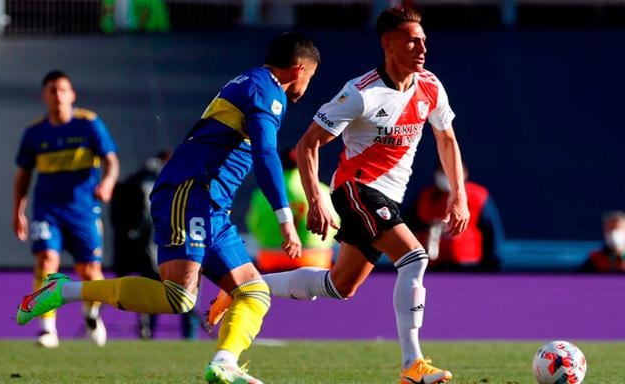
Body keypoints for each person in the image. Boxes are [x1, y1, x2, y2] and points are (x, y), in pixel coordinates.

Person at [16, 32, 320, 384]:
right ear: (299, 70)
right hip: (189, 193)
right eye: (310, 78)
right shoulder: (265, 90)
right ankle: (61, 291)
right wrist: (284, 217)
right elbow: (265, 153)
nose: (307, 85)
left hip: (211, 205)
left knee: (254, 292)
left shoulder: (254, 84)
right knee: (179, 298)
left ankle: (224, 363)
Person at [209, 7, 469, 384]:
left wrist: (458, 196)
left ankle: (244, 288)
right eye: (413, 40)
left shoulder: (430, 86)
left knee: (339, 286)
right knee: (414, 258)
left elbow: (447, 140)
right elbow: (308, 144)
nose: (422, 47)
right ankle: (413, 365)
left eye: (424, 40)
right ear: (388, 44)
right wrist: (318, 199)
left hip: (388, 199)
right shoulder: (361, 92)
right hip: (357, 190)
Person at [12, 70, 120, 348]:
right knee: (47, 260)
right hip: (49, 210)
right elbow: (23, 175)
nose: (58, 95)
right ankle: (47, 328)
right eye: (52, 90)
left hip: (84, 211)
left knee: (89, 272)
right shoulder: (35, 133)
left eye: (63, 89)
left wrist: (107, 183)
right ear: (44, 95)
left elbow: (111, 161)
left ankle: (91, 314)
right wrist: (18, 211)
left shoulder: (89, 124)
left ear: (72, 95)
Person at [111, 151, 200, 339]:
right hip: (167, 248)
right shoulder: (154, 182)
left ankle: (157, 334)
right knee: (178, 291)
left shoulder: (148, 180)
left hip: (158, 249)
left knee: (170, 292)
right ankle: (182, 336)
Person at [246, 148, 336, 272]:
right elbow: (334, 224)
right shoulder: (323, 192)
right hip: (315, 258)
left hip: (271, 258)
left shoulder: (262, 194)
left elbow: (253, 223)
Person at [414, 162, 504, 271]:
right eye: (442, 171)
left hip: (468, 265)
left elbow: (491, 231)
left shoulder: (478, 196)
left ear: (464, 173)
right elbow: (409, 227)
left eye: (453, 171)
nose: (447, 175)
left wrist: (492, 263)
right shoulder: (425, 197)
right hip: (433, 266)